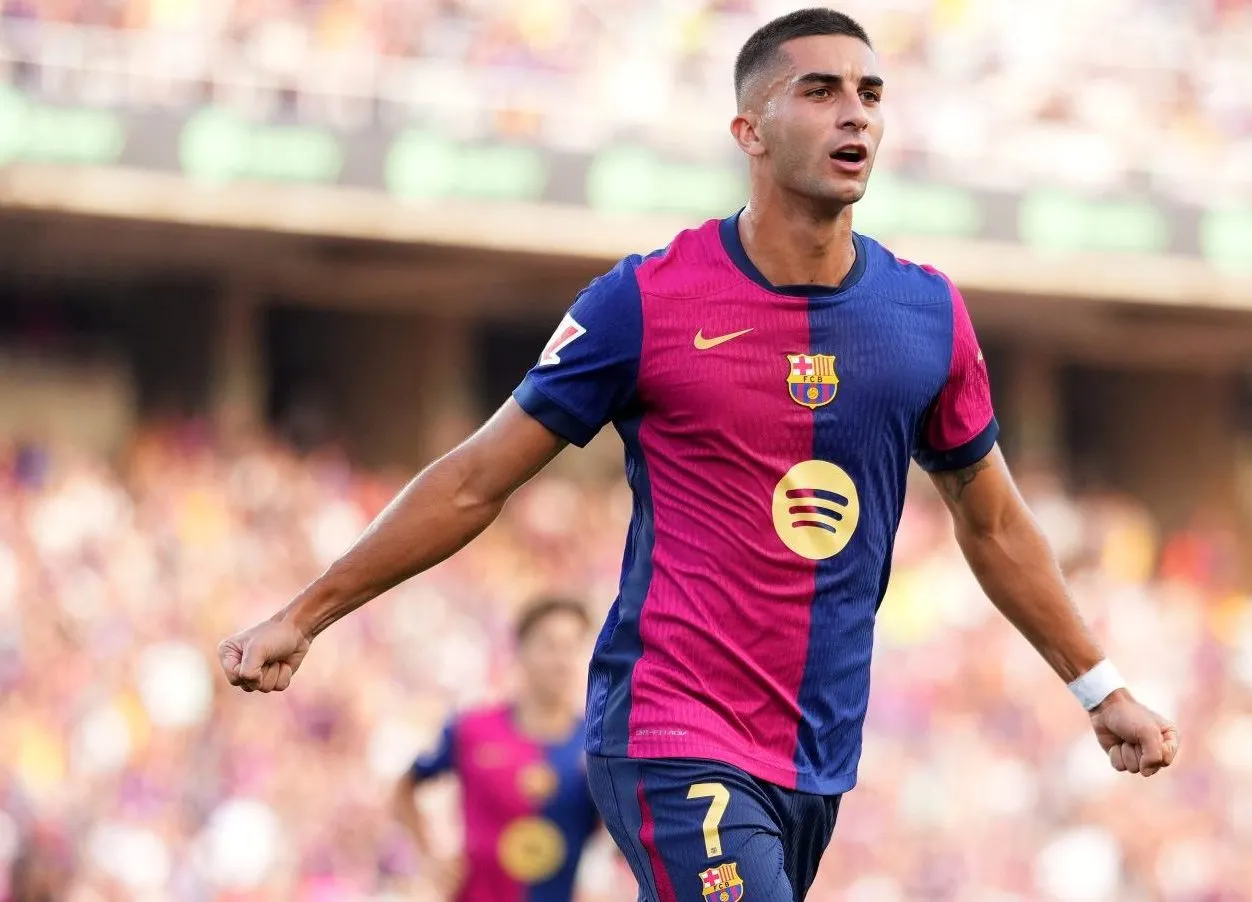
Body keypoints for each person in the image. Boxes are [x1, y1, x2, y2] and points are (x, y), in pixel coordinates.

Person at [217, 8, 1180, 901]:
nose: (856, 115)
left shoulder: (926, 316)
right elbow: (474, 479)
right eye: (820, 91)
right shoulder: (645, 302)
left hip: (813, 756)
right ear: (748, 132)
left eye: (871, 93)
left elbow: (995, 520)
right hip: (668, 731)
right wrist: (306, 615)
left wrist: (1100, 688)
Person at [392, 598, 600, 901]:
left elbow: (617, 835)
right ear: (520, 651)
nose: (562, 660)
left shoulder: (596, 747)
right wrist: (431, 857)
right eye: (550, 645)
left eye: (572, 647)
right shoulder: (471, 729)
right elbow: (406, 785)